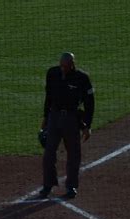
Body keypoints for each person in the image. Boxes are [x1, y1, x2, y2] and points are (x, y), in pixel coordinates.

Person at [39, 52, 95, 199]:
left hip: (71, 119)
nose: (62, 69)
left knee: (74, 154)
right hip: (54, 117)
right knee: (49, 153)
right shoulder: (52, 74)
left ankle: (71, 187)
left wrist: (87, 125)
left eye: (65, 66)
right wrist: (45, 117)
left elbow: (90, 103)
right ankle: (47, 185)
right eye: (61, 65)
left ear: (72, 64)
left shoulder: (82, 78)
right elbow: (48, 97)